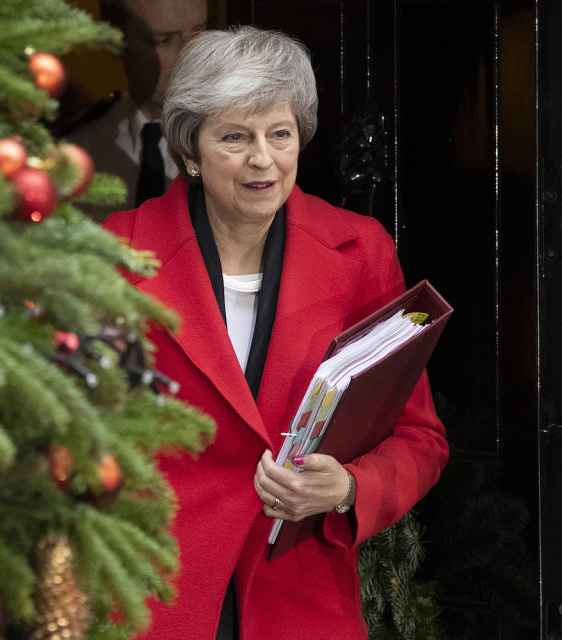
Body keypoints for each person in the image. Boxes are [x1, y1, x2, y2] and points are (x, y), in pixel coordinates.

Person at [102, 27, 448, 639]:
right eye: (235, 137)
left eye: (279, 134)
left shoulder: (360, 250)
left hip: (300, 599)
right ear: (190, 150)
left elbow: (420, 438)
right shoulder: (118, 255)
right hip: (153, 595)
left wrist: (348, 487)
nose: (263, 158)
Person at [67, 0, 208, 221]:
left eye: (200, 33)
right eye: (164, 40)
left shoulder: (247, 143)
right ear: (115, 42)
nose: (189, 56)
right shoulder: (77, 149)